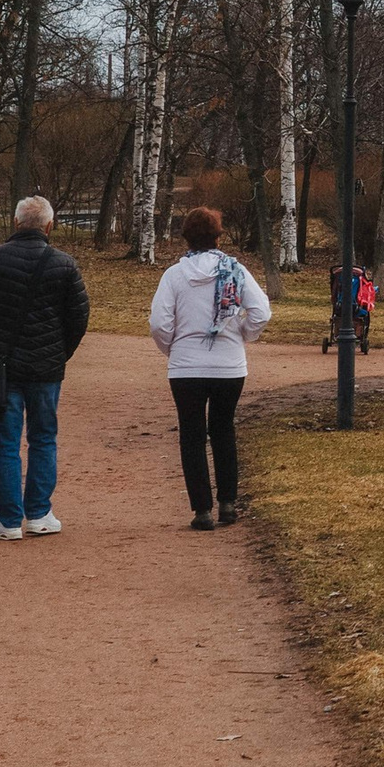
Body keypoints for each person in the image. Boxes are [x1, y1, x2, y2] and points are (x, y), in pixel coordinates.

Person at [0, 194, 91, 542]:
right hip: (47, 369)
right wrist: (60, 353)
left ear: (15, 223)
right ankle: (40, 513)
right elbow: (79, 316)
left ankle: (9, 520)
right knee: (44, 438)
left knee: (5, 442)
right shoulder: (65, 264)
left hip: (1, 368)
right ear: (49, 225)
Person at [149, 206, 270, 532]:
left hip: (186, 368)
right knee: (223, 430)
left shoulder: (174, 276)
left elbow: (159, 323)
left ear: (186, 237)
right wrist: (242, 335)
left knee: (191, 435)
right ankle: (228, 504)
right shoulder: (236, 270)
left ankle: (202, 510)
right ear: (218, 235)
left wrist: (173, 349)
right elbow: (261, 312)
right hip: (229, 366)